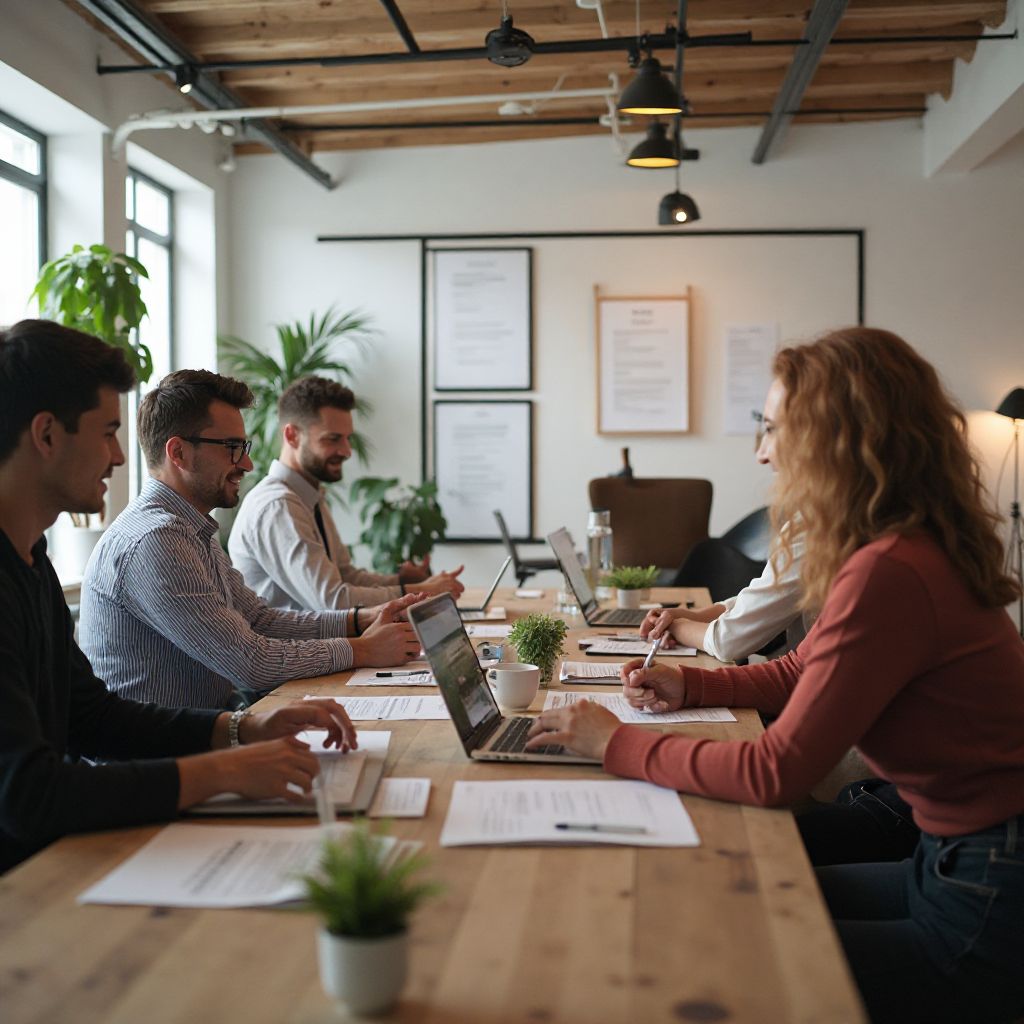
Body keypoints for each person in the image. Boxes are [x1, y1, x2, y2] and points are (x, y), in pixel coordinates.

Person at [526, 328, 1024, 1023]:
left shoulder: (890, 569)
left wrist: (614, 744)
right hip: (953, 859)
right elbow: (799, 669)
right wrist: (691, 684)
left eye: (774, 428)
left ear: (836, 439)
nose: (762, 450)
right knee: (718, 898)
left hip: (985, 891)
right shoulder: (899, 548)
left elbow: (774, 774)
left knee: (715, 950)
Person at [0, 319, 361, 873]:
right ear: (47, 435)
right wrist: (225, 768)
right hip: (45, 868)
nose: (119, 457)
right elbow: (28, 795)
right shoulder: (150, 541)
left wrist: (241, 730)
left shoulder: (31, 557)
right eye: (106, 432)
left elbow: (91, 716)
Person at [79, 369, 424, 711]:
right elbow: (250, 663)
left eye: (243, 447)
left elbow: (260, 620)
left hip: (206, 736)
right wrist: (362, 649)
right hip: (163, 758)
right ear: (179, 453)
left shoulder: (190, 529)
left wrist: (361, 619)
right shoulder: (157, 540)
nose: (246, 462)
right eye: (232, 447)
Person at [228, 375, 464, 612]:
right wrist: (416, 592)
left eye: (347, 438)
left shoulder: (309, 496)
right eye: (332, 439)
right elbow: (333, 602)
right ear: (292, 436)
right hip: (299, 648)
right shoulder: (278, 506)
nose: (347, 451)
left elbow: (345, 575)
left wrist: (403, 582)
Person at [639, 379, 808, 662]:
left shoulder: (815, 530)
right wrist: (696, 616)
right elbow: (761, 602)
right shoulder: (818, 522)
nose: (761, 454)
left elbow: (728, 640)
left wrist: (680, 626)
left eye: (769, 429)